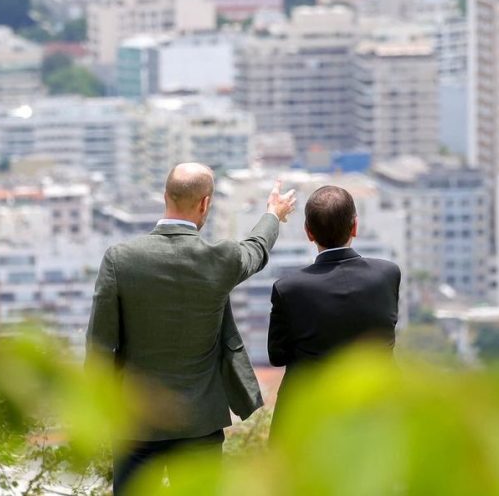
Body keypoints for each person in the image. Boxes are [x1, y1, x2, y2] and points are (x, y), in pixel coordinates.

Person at [86, 163, 296, 494]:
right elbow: (256, 249)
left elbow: (99, 346)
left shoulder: (120, 260)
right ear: (205, 203)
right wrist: (273, 213)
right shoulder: (219, 258)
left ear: (164, 196)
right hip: (200, 421)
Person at [267, 185, 400, 434]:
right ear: (355, 227)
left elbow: (277, 355)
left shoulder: (289, 288)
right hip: (377, 413)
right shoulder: (388, 274)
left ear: (308, 233)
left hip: (310, 419)